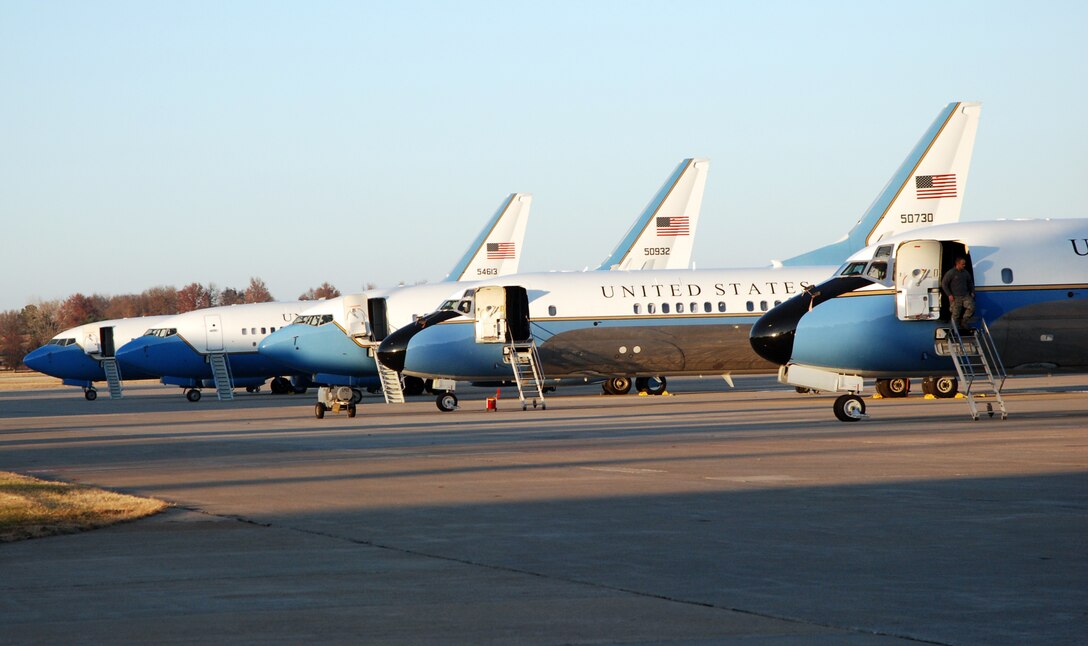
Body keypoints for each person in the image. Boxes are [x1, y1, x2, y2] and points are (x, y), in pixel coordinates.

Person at [941, 257, 975, 329]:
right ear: (958, 264)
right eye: (962, 264)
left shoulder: (965, 273)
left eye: (964, 264)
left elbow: (970, 282)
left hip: (965, 295)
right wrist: (949, 294)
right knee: (955, 314)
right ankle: (954, 329)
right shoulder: (951, 273)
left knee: (971, 307)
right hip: (955, 296)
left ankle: (964, 321)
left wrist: (972, 291)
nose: (964, 265)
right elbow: (944, 284)